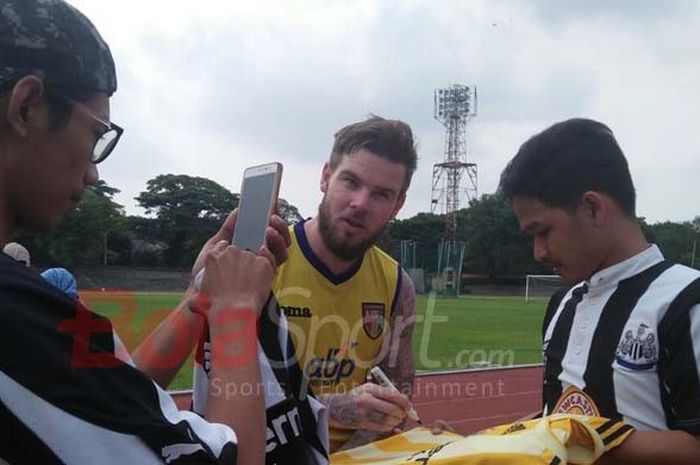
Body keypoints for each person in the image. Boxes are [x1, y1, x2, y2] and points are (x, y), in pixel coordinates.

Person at [0, 1, 283, 463]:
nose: (93, 174)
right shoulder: (19, 317)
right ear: (26, 106)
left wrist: (201, 299)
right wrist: (234, 309)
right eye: (95, 135)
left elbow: (118, 399)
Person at [192, 116, 420, 453]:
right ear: (326, 177)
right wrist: (338, 408)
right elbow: (223, 398)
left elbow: (397, 393)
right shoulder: (256, 263)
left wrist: (350, 449)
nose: (360, 203)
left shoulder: (397, 285)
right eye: (351, 182)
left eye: (381, 194)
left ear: (398, 204)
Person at [498, 118, 700, 464]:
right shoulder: (564, 303)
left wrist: (591, 440)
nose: (539, 252)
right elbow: (555, 417)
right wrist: (478, 443)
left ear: (592, 208)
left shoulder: (685, 300)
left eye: (543, 231)